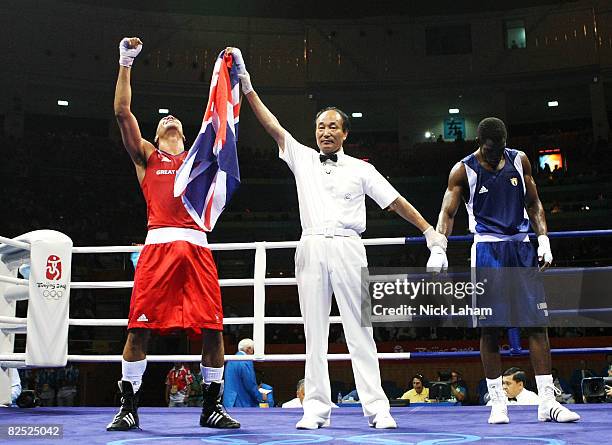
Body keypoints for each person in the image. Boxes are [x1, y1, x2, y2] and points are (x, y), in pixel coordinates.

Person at [228, 47, 447, 430]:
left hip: (348, 246)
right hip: (311, 245)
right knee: (314, 331)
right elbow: (272, 125)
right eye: (320, 127)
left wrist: (429, 231)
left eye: (332, 127)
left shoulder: (362, 170)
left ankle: (377, 409)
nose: (325, 132)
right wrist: (246, 84)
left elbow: (395, 202)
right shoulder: (302, 157)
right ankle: (315, 408)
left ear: (345, 133)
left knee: (360, 330)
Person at [106, 37, 239, 431]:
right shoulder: (148, 157)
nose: (169, 120)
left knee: (213, 330)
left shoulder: (201, 161)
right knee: (138, 329)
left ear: (184, 132)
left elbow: (225, 129)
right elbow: (121, 111)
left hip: (197, 250)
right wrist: (126, 61)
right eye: (163, 120)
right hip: (158, 249)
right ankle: (128, 406)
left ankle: (211, 407)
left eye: (174, 120)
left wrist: (234, 83)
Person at [429, 117, 580, 424]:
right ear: (479, 144)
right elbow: (448, 211)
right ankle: (498, 402)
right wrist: (439, 246)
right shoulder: (463, 170)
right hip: (487, 250)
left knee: (537, 324)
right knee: (490, 327)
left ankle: (547, 402)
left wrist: (543, 239)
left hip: (522, 247)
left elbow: (534, 202)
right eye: (489, 150)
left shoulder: (519, 159)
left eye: (499, 149)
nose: (495, 155)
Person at [223, 339, 267, 408]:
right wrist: (260, 396)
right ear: (248, 349)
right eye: (253, 350)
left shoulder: (231, 360)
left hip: (229, 402)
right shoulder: (245, 361)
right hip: (242, 403)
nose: (253, 353)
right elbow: (250, 384)